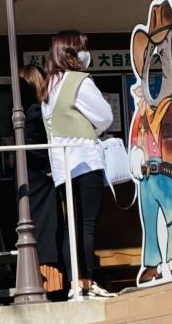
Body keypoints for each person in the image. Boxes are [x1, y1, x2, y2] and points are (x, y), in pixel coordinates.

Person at [43, 30, 114, 298]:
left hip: (62, 167)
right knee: (86, 225)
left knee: (71, 226)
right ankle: (86, 281)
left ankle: (75, 282)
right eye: (83, 48)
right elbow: (105, 116)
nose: (87, 53)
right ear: (72, 52)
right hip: (85, 160)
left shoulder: (50, 85)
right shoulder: (78, 81)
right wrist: (93, 131)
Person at [16, 64, 64, 295]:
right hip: (42, 180)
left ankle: (45, 280)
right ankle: (53, 284)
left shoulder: (24, 113)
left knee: (36, 229)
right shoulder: (38, 112)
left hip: (29, 181)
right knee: (47, 230)